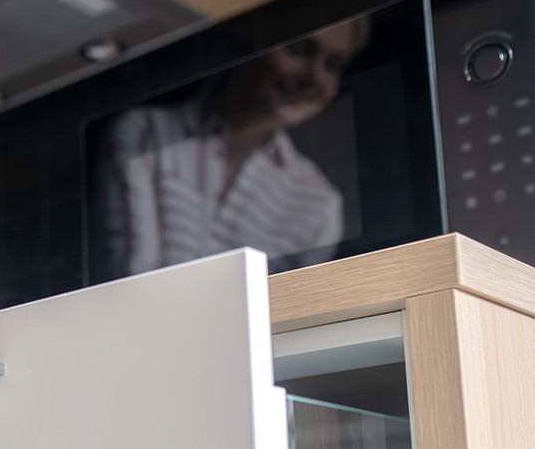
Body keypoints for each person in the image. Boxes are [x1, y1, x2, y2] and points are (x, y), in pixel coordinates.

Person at [92, 18, 369, 278]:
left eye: (332, 65)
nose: (314, 77)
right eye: (299, 50)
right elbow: (132, 277)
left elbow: (289, 314)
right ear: (257, 39)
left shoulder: (319, 203)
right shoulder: (146, 132)